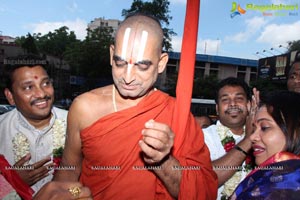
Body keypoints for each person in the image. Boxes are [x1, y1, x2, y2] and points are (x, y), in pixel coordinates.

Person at [54, 13, 218, 199]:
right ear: (111, 55)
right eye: (120, 62)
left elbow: (202, 192)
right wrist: (77, 194)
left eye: (142, 66)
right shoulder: (84, 108)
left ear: (161, 63)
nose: (128, 77)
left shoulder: (177, 115)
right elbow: (68, 171)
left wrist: (162, 161)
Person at [0, 54, 68, 195]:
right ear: (10, 97)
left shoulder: (75, 124)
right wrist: (11, 183)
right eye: (28, 87)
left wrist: (72, 193)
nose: (41, 93)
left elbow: (88, 185)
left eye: (45, 83)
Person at [231, 90, 300, 199]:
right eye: (254, 129)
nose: (252, 137)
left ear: (295, 131)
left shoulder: (286, 186)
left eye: (264, 128)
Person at [203, 77, 254, 199]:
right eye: (225, 100)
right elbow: (205, 180)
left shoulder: (262, 137)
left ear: (249, 105)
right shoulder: (203, 136)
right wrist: (248, 141)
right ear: (217, 108)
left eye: (239, 98)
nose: (232, 104)